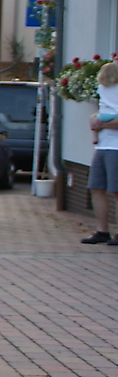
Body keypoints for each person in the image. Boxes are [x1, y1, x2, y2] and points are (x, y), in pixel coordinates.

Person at [82, 61, 118, 244]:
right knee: (96, 188)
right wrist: (95, 118)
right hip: (102, 146)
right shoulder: (105, 90)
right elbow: (103, 111)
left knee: (116, 191)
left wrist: (100, 124)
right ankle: (102, 231)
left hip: (116, 148)